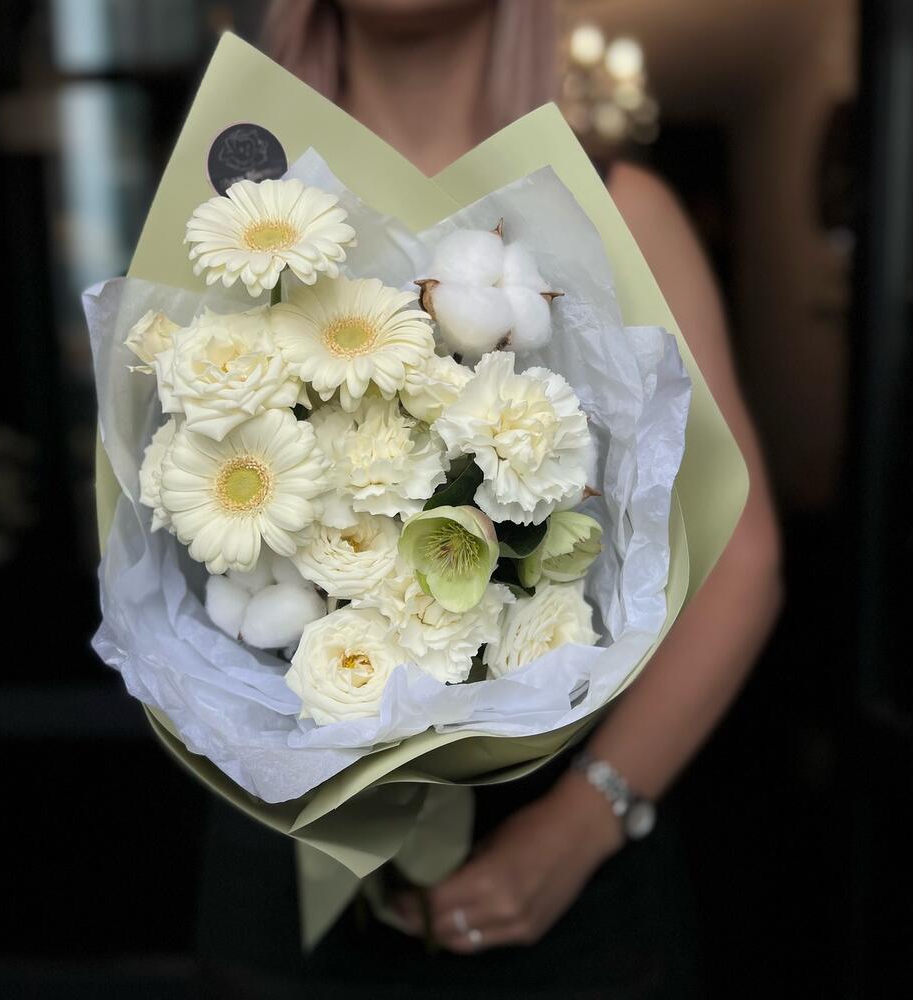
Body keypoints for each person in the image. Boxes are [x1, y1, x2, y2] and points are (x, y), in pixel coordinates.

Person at [196, 1, 782, 995]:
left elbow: (741, 560)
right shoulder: (236, 208)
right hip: (285, 866)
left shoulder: (619, 209)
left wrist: (585, 818)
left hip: (556, 886)